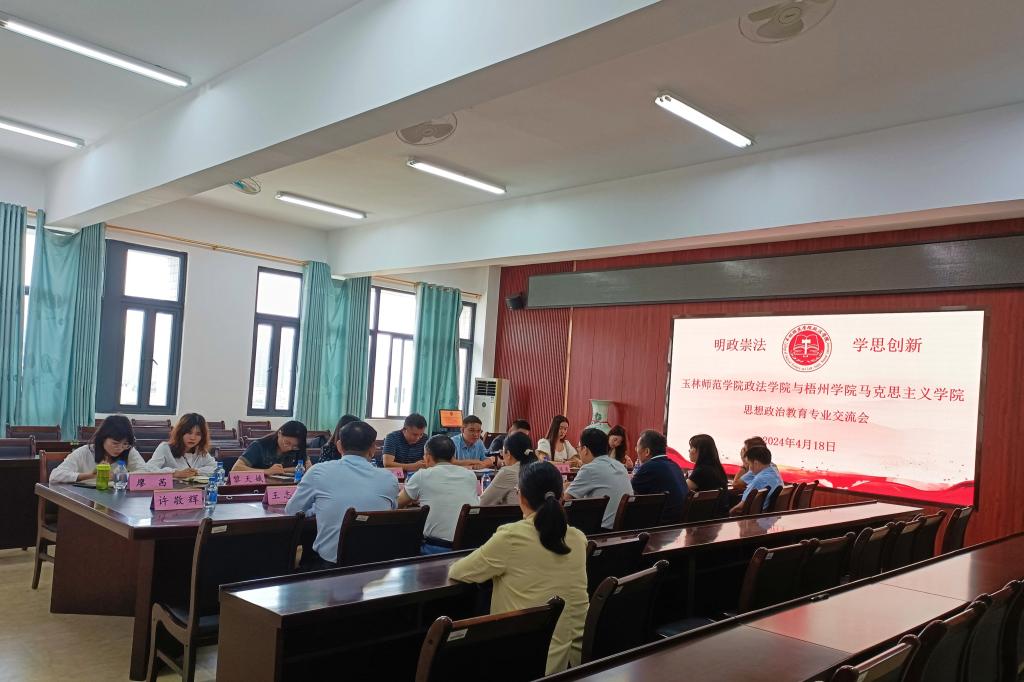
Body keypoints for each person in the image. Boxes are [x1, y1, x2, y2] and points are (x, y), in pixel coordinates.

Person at [449, 461, 588, 674]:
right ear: (562, 496)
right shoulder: (578, 538)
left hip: (526, 661)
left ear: (520, 496)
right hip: (576, 659)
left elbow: (459, 572)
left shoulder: (511, 536)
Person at [285, 421, 399, 567]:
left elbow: (292, 511)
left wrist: (316, 509)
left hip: (331, 566)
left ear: (339, 446)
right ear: (373, 448)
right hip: (377, 565)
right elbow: (390, 511)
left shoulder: (318, 471)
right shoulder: (389, 478)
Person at [398, 434, 480, 553]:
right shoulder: (470, 475)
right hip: (469, 547)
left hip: (437, 549)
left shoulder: (422, 475)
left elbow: (397, 503)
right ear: (453, 457)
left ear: (428, 457)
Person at [564, 428, 633, 530]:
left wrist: (565, 488)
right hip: (624, 529)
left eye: (579, 447)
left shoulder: (589, 469)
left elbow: (566, 500)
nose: (578, 451)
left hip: (601, 530)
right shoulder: (620, 466)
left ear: (585, 449)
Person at [49, 415, 146, 483]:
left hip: (117, 502)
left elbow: (146, 473)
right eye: (115, 443)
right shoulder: (85, 452)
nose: (120, 448)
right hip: (86, 501)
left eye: (125, 444)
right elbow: (55, 476)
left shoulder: (129, 451)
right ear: (103, 438)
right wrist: (90, 476)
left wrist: (117, 476)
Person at [631, 430, 689, 523]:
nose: (635, 450)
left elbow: (629, 490)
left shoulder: (650, 467)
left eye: (637, 447)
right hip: (680, 522)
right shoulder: (674, 465)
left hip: (662, 524)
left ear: (647, 451)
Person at [145, 413, 217, 478]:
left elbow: (215, 468)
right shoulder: (165, 448)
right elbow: (148, 469)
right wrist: (175, 473)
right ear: (180, 432)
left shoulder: (200, 450)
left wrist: (196, 471)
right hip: (172, 488)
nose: (193, 438)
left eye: (198, 434)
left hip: (195, 488)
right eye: (189, 432)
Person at [480, 431, 537, 506]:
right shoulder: (538, 468)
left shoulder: (508, 472)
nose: (502, 456)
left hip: (516, 514)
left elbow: (483, 502)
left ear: (508, 454)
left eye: (502, 452)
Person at [234, 420, 310, 474]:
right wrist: (267, 471)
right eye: (287, 443)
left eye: (295, 446)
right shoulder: (260, 445)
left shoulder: (299, 448)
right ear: (279, 433)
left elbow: (308, 468)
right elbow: (236, 468)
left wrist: (282, 470)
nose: (290, 448)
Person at [730, 445, 784, 515]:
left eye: (749, 464)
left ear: (756, 463)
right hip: (767, 516)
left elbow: (740, 508)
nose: (749, 468)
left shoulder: (759, 480)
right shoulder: (775, 473)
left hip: (753, 517)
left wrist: (729, 513)